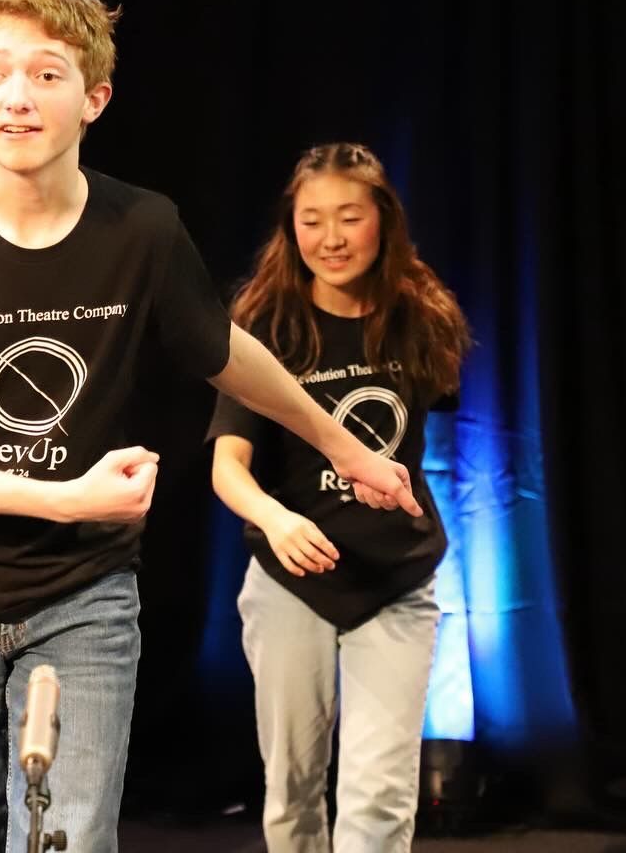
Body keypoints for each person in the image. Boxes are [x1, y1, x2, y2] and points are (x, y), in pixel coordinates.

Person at [0, 0, 421, 853]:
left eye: (47, 74)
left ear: (95, 97)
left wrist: (341, 444)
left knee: (72, 840)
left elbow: (224, 352)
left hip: (80, 597)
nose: (18, 98)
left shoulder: (143, 229)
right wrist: (65, 498)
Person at [209, 142, 472, 852]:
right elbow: (228, 465)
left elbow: (429, 421)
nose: (331, 238)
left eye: (349, 218)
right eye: (312, 220)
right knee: (291, 790)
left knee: (380, 792)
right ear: (290, 228)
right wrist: (274, 516)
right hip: (290, 582)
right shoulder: (264, 326)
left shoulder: (422, 315)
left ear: (382, 222)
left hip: (396, 580)